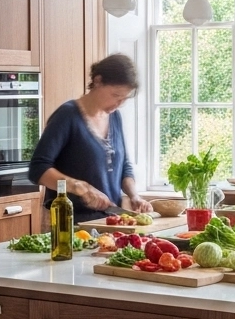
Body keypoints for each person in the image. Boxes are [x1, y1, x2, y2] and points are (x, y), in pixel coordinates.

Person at [28, 53, 153, 225]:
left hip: (109, 222)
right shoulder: (67, 115)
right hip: (69, 224)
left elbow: (124, 165)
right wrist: (79, 187)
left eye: (124, 99)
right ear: (97, 81)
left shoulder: (115, 117)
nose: (119, 104)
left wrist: (134, 196)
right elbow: (38, 169)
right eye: (116, 95)